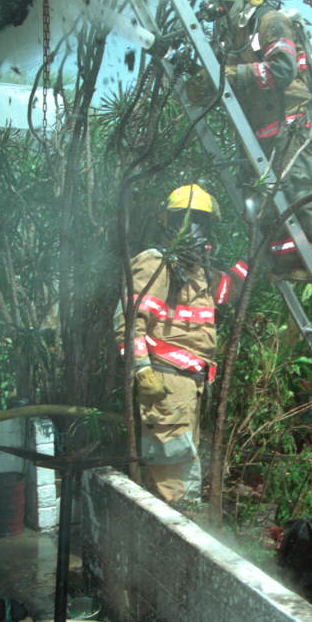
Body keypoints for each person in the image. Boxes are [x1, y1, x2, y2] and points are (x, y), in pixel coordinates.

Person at [187, 0, 312, 279]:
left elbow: (281, 71)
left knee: (298, 190)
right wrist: (201, 81)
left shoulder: (271, 21)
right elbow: (227, 75)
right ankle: (285, 263)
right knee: (262, 199)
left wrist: (226, 75)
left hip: (292, 119)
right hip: (260, 127)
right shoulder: (234, 33)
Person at [114, 183, 248, 504]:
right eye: (185, 220)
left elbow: (228, 288)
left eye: (201, 220)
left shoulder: (196, 272)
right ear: (168, 222)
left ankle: (182, 519)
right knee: (172, 469)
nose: (193, 229)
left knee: (183, 461)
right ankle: (176, 526)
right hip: (165, 381)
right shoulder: (156, 263)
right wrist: (142, 369)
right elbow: (129, 322)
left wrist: (254, 259)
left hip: (190, 383)